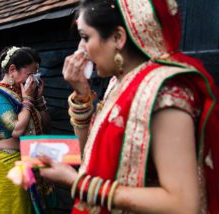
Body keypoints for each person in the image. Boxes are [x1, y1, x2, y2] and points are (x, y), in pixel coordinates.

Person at [38, 0, 219, 213]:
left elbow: (182, 204)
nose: (81, 50)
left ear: (118, 38)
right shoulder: (119, 83)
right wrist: (81, 93)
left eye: (86, 38)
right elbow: (88, 152)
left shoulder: (164, 91)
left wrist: (78, 183)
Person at [0, 46, 52, 213]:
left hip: (31, 162)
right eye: (30, 75)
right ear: (12, 70)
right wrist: (27, 101)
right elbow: (16, 130)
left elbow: (47, 126)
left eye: (36, 75)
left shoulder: (26, 94)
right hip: (8, 165)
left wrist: (39, 99)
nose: (33, 80)